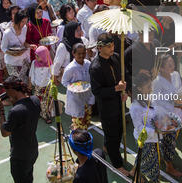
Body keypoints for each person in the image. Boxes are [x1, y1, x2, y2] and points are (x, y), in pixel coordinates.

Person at [89, 33, 129, 176]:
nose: (112, 48)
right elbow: (97, 91)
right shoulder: (95, 67)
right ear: (100, 48)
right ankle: (117, 165)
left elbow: (122, 77)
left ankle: (108, 147)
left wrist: (123, 91)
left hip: (119, 101)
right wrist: (115, 89)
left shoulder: (116, 58)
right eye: (108, 46)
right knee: (112, 134)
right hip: (106, 106)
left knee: (119, 130)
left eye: (112, 45)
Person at [0, 76, 41, 183]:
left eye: (7, 92)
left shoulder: (15, 111)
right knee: (28, 177)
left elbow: (5, 132)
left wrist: (1, 110)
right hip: (32, 150)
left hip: (20, 156)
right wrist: (15, 104)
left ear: (12, 91)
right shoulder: (35, 100)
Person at [152, 54, 182, 177]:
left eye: (173, 63)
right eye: (169, 65)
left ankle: (163, 156)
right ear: (161, 68)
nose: (172, 66)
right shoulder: (157, 83)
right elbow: (156, 103)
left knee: (172, 139)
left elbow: (180, 92)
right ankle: (169, 166)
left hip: (177, 113)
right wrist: (173, 105)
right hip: (165, 116)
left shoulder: (175, 75)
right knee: (169, 140)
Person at [129, 73, 160, 182]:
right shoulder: (135, 107)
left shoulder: (150, 98)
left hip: (154, 136)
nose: (151, 89)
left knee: (141, 157)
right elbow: (139, 127)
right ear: (139, 88)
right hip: (144, 139)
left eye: (151, 86)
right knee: (152, 164)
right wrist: (155, 130)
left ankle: (135, 172)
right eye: (148, 87)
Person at [62, 43, 95, 130]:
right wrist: (75, 88)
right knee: (80, 124)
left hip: (87, 97)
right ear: (73, 53)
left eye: (83, 53)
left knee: (87, 119)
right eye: (78, 54)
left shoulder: (88, 64)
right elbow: (64, 81)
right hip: (76, 99)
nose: (81, 56)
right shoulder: (70, 68)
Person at [1, 10, 37, 84]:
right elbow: (3, 48)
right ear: (17, 20)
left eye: (25, 22)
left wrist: (29, 46)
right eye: (23, 22)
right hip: (12, 61)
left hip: (23, 59)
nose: (24, 24)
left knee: (25, 81)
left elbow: (23, 43)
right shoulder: (7, 33)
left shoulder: (24, 29)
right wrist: (13, 53)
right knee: (16, 83)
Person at [52, 21, 87, 85]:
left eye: (80, 30)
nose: (80, 32)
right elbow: (57, 63)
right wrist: (54, 78)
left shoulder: (83, 41)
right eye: (77, 30)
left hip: (81, 74)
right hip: (68, 76)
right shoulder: (63, 46)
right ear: (71, 32)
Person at [29, 46, 54, 124]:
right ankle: (39, 113)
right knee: (38, 100)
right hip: (38, 86)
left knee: (46, 102)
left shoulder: (49, 64)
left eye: (38, 56)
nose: (36, 57)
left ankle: (46, 115)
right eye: (36, 55)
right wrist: (30, 84)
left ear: (44, 56)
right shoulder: (34, 63)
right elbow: (31, 73)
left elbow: (52, 75)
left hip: (47, 86)